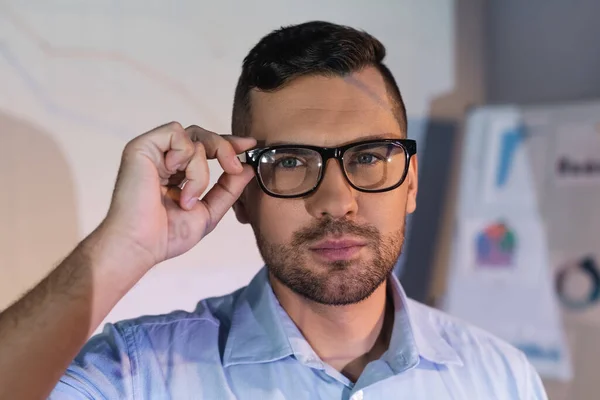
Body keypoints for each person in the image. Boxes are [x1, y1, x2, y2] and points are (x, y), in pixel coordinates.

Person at [0, 21, 547, 400]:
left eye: (369, 157)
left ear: (410, 184)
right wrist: (124, 248)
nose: (336, 201)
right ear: (244, 192)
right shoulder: (141, 374)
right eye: (290, 162)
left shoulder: (501, 378)